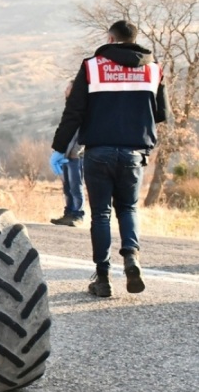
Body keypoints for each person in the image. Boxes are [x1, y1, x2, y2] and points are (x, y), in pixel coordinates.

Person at [50, 20, 168, 298]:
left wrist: (58, 147)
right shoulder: (153, 69)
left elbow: (74, 111)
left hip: (99, 151)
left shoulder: (92, 66)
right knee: (128, 209)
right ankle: (131, 258)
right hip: (134, 152)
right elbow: (161, 113)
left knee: (101, 213)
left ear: (111, 39)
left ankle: (102, 278)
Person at [50, 81, 85, 227]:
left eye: (68, 88)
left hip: (76, 156)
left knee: (76, 186)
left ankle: (78, 215)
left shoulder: (82, 109)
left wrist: (76, 151)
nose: (66, 90)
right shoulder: (69, 109)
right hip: (65, 155)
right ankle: (68, 213)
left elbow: (82, 134)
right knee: (67, 186)